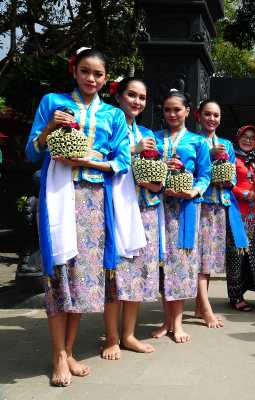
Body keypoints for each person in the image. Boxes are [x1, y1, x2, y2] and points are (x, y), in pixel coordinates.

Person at [25, 47, 130, 386]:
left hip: (94, 202)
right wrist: (48, 131)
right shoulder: (51, 102)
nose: (91, 79)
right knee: (57, 273)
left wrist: (86, 161)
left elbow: (122, 160)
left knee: (81, 276)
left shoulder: (113, 116)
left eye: (98, 74)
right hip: (57, 195)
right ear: (75, 71)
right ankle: (58, 354)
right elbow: (30, 152)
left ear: (106, 79)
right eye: (86, 71)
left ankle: (69, 350)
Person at [101, 77, 163, 360]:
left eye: (142, 97)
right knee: (115, 275)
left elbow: (157, 177)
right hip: (114, 207)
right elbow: (100, 160)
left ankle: (129, 335)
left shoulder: (148, 132)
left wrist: (156, 180)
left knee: (137, 275)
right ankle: (112, 338)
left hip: (144, 210)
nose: (137, 101)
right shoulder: (107, 125)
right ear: (118, 96)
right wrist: (133, 151)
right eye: (131, 95)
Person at [152, 89, 211, 343]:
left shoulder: (197, 142)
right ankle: (166, 321)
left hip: (186, 209)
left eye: (177, 109)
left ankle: (178, 322)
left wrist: (193, 190)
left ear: (188, 112)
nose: (172, 114)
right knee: (164, 265)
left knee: (182, 264)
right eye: (167, 109)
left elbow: (205, 175)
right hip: (159, 206)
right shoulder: (154, 139)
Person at [195, 99, 248, 326]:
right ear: (198, 116)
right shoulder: (193, 141)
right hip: (200, 204)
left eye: (216, 115)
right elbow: (190, 171)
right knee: (201, 257)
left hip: (220, 206)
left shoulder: (226, 143)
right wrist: (209, 153)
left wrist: (228, 179)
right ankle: (206, 310)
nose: (212, 119)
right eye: (207, 114)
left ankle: (200, 305)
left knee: (209, 258)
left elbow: (233, 176)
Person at [226, 125, 255, 311]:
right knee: (236, 256)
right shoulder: (231, 158)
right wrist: (242, 193)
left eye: (252, 137)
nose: (248, 140)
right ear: (237, 138)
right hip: (237, 214)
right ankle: (235, 296)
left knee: (254, 255)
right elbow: (225, 182)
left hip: (254, 215)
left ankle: (251, 290)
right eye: (245, 136)